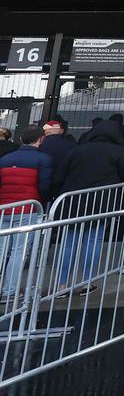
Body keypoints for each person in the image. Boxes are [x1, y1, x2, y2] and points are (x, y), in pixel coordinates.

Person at [53, 119, 124, 296]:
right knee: (93, 241)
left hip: (73, 202)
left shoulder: (78, 150)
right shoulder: (118, 151)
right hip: (101, 203)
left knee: (68, 244)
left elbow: (60, 176)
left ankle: (62, 284)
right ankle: (87, 282)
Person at [0, 126, 52, 299]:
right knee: (19, 251)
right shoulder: (43, 159)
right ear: (41, 139)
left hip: (4, 208)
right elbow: (44, 185)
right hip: (28, 208)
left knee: (1, 250)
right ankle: (10, 291)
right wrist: (43, 204)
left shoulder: (6, 159)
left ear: (21, 139)